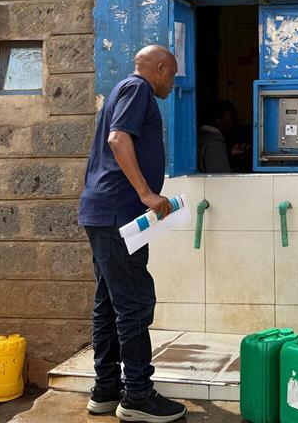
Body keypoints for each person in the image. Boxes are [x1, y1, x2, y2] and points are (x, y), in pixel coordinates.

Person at [77, 45, 186, 422]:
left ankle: (107, 389)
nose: (173, 84)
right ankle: (138, 394)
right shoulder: (137, 89)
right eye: (171, 75)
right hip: (117, 214)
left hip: (105, 213)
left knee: (109, 302)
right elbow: (118, 140)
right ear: (158, 68)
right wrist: (146, 193)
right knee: (134, 303)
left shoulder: (120, 91)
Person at [198, 99, 250, 173]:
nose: (236, 122)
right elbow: (221, 177)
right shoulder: (215, 143)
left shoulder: (198, 136)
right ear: (219, 119)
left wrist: (230, 154)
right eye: (232, 118)